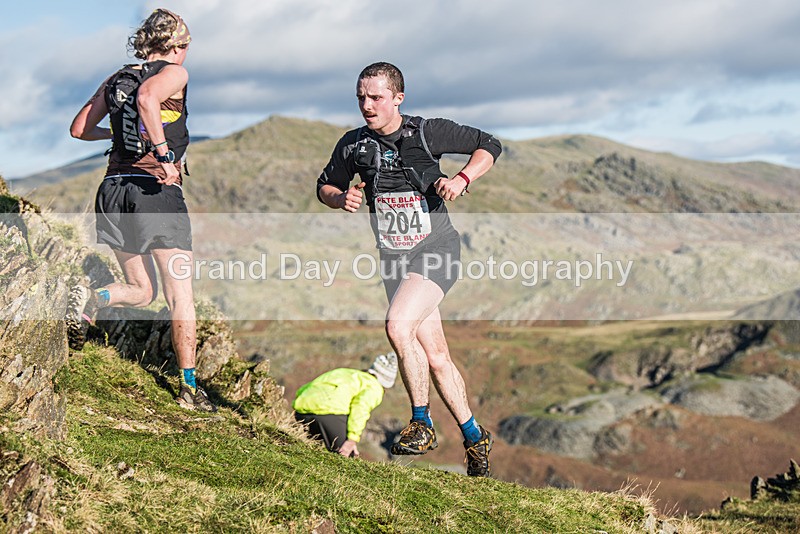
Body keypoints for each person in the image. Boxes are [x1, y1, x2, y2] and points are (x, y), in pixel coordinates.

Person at [316, 62, 502, 476]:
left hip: (436, 249)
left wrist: (462, 178)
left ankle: (422, 422)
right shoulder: (353, 145)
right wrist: (338, 198)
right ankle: (475, 437)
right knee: (436, 356)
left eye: (376, 97)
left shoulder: (426, 132)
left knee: (397, 327)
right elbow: (324, 185)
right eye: (361, 97)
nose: (367, 105)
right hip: (395, 262)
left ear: (398, 98)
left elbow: (489, 144)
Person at [67, 9, 216, 412]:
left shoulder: (117, 78)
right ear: (174, 46)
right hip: (155, 191)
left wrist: (117, 133)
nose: (185, 55)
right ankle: (189, 389)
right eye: (185, 47)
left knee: (142, 290)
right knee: (179, 295)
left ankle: (90, 298)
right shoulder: (173, 73)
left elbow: (79, 128)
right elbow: (150, 98)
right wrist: (164, 153)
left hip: (113, 191)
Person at [293, 353, 399, 457]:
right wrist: (352, 440)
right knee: (345, 455)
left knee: (310, 452)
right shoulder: (374, 386)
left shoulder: (347, 373)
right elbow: (360, 408)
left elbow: (311, 385)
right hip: (328, 414)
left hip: (301, 411)